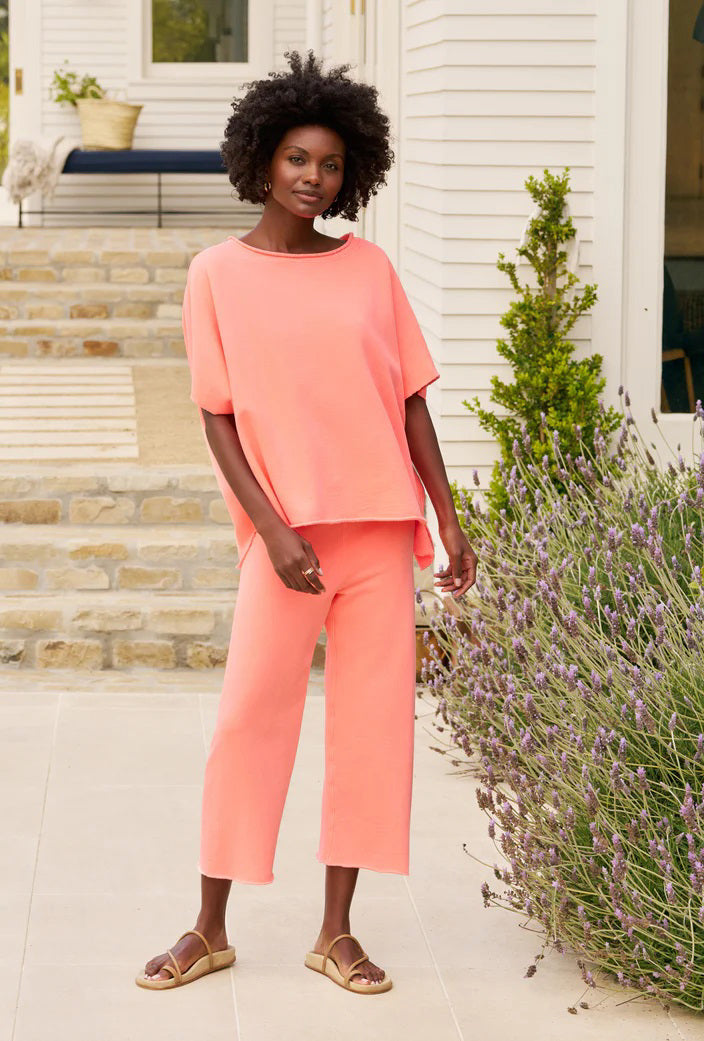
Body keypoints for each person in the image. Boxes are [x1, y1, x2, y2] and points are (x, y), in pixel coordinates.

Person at [137, 49, 478, 996]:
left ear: (349, 172)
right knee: (249, 718)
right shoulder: (216, 274)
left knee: (371, 730)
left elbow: (410, 402)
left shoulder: (369, 270)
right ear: (261, 158)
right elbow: (217, 414)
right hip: (286, 539)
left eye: (330, 163)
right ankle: (208, 926)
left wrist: (449, 520)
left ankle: (337, 931)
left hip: (380, 531)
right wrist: (274, 528)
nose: (313, 177)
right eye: (297, 158)